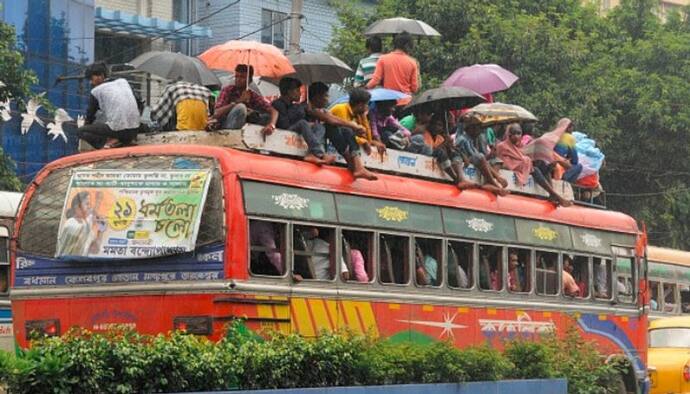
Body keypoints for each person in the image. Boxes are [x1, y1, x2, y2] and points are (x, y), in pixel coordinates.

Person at [306, 82, 378, 181]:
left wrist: (362, 120)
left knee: (347, 131)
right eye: (326, 96)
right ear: (317, 97)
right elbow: (332, 120)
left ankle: (357, 166)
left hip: (326, 138)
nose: (327, 99)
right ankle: (353, 163)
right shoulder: (309, 108)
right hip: (313, 138)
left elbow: (331, 118)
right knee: (337, 128)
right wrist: (352, 125)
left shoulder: (323, 110)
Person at [496, 123, 573, 206]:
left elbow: (524, 156)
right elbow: (504, 161)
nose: (517, 136)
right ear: (509, 134)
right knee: (535, 169)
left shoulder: (520, 146)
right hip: (512, 167)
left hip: (523, 167)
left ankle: (553, 195)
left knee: (545, 167)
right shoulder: (502, 146)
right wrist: (524, 161)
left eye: (519, 133)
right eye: (514, 133)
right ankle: (556, 196)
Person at [272, 77, 335, 165]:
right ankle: (319, 153)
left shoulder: (294, 106)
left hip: (295, 130)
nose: (300, 93)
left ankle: (312, 153)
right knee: (303, 123)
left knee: (319, 127)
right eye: (297, 90)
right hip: (283, 133)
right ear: (289, 92)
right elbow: (284, 124)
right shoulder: (278, 104)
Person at [78, 62, 141, 149]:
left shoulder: (96, 91)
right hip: (135, 130)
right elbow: (139, 103)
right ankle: (122, 140)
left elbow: (90, 116)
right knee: (111, 124)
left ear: (100, 76)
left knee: (81, 131)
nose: (91, 82)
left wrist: (86, 125)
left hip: (119, 131)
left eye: (91, 79)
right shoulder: (123, 82)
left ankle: (106, 144)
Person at [408, 113, 477, 190]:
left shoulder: (440, 138)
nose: (437, 127)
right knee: (440, 152)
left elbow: (449, 152)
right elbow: (430, 151)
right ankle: (456, 179)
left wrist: (451, 147)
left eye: (440, 125)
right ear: (430, 125)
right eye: (435, 124)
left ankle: (461, 178)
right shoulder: (424, 135)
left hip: (440, 162)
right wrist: (444, 144)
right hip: (426, 160)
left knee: (454, 153)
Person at [211, 64, 278, 137]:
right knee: (241, 108)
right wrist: (238, 102)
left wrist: (272, 125)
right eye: (237, 76)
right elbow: (216, 113)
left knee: (266, 116)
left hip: (246, 129)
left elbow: (274, 111)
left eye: (242, 77)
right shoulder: (228, 90)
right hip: (225, 127)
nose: (238, 79)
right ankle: (233, 137)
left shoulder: (252, 95)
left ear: (249, 80)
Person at [456, 116, 509, 195]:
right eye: (477, 129)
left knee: (495, 160)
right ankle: (494, 183)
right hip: (464, 160)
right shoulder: (463, 139)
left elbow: (479, 156)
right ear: (470, 129)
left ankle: (491, 181)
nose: (479, 131)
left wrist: (490, 155)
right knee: (480, 156)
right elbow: (471, 155)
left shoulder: (473, 139)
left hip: (474, 159)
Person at [366, 32, 419, 105]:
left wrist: (365, 88)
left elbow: (375, 81)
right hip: (406, 102)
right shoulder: (412, 62)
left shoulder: (383, 59)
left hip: (389, 103)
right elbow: (414, 88)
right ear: (407, 45)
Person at [330, 88, 386, 156]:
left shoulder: (358, 114)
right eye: (366, 104)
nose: (367, 107)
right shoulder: (341, 109)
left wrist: (373, 142)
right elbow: (344, 133)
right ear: (360, 105)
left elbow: (367, 137)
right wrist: (364, 142)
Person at [56, 191, 104, 257]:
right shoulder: (70, 224)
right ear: (78, 207)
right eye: (87, 204)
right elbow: (83, 233)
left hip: (80, 263)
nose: (89, 207)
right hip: (66, 263)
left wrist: (100, 231)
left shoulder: (84, 222)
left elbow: (95, 250)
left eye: (89, 204)